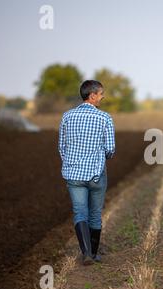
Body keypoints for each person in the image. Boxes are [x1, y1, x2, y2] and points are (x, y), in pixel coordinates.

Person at [58, 80, 115, 265]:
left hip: (73, 174)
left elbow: (61, 147)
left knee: (79, 212)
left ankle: (86, 253)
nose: (102, 96)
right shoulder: (105, 118)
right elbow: (110, 150)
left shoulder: (67, 116)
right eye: (101, 93)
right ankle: (94, 253)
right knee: (95, 213)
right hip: (96, 174)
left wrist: (73, 161)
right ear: (92, 96)